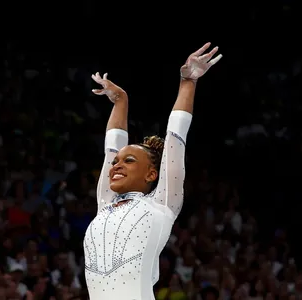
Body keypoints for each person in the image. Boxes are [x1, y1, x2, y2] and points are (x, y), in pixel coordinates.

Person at [83, 42, 222, 300]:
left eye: (130, 161)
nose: (116, 166)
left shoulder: (162, 203)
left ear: (151, 174)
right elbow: (110, 149)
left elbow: (175, 136)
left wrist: (187, 82)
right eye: (117, 163)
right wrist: (120, 102)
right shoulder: (105, 203)